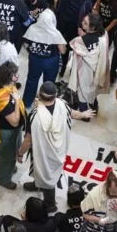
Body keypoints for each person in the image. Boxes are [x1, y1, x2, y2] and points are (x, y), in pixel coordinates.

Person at [19, 81, 94, 211]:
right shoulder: (62, 104)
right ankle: (38, 184)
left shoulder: (35, 116)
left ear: (39, 95)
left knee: (47, 177)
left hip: (43, 152)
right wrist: (83, 114)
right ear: (55, 95)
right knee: (44, 172)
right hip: (59, 149)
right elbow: (74, 114)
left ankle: (50, 204)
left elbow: (28, 140)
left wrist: (20, 153)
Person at [0, 62, 26, 190]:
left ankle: (10, 167)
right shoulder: (3, 99)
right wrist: (17, 102)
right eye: (17, 74)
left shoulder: (8, 87)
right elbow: (14, 121)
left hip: (14, 131)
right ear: (13, 77)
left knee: (13, 151)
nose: (18, 75)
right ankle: (3, 179)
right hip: (7, 132)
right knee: (7, 155)